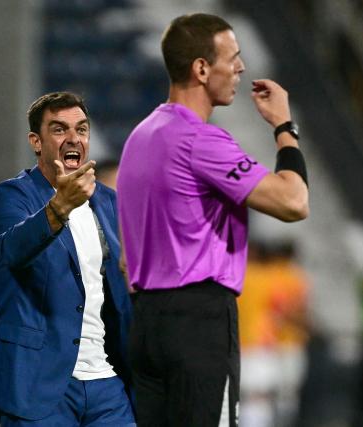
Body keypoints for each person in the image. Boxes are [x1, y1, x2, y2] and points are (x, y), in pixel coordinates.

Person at [117, 13, 309, 427]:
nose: (241, 68)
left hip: (146, 322)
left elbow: (124, 255)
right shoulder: (200, 140)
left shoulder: (140, 137)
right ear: (202, 69)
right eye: (233, 58)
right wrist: (284, 127)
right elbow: (294, 201)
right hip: (198, 324)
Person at [0, 92, 135, 426]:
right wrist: (60, 206)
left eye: (81, 130)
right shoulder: (13, 195)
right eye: (59, 129)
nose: (74, 138)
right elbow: (13, 251)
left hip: (106, 381)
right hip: (39, 382)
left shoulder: (108, 202)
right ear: (36, 142)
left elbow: (118, 282)